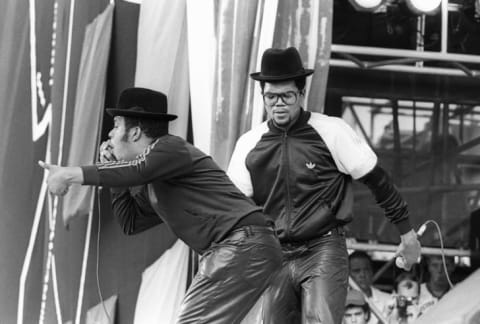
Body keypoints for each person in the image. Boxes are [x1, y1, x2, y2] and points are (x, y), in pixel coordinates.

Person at [39, 87, 283, 324]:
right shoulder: (156, 179)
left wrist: (69, 174)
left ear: (134, 133)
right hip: (244, 248)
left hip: (241, 245)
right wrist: (112, 172)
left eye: (115, 126)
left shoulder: (170, 147)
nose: (110, 136)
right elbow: (130, 222)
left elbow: (137, 171)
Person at [227, 47, 422, 324]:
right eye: (271, 97)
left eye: (287, 96)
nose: (278, 103)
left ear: (302, 94)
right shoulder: (249, 143)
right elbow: (234, 210)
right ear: (262, 96)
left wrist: (407, 233)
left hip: (323, 247)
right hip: (275, 253)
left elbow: (378, 181)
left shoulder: (331, 131)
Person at [348, 251, 391, 324]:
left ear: (372, 272)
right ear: (347, 274)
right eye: (356, 271)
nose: (362, 275)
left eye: (366, 270)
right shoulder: (338, 302)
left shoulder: (388, 301)